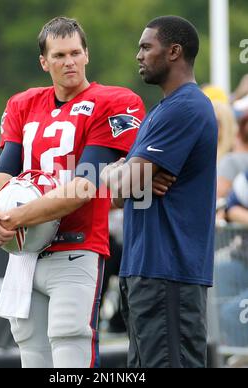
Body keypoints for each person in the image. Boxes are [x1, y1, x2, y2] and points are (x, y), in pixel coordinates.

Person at [0, 16, 174, 368]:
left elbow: (84, 185)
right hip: (25, 255)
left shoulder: (113, 101)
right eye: (60, 55)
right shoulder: (23, 103)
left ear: (87, 55)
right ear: (43, 62)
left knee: (70, 348)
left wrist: (10, 219)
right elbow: (4, 170)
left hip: (76, 247)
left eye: (76, 53)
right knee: (32, 353)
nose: (70, 62)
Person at [101, 16, 218, 368]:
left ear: (174, 52)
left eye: (146, 46)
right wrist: (120, 173)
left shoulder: (185, 108)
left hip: (168, 271)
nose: (138, 55)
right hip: (146, 271)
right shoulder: (161, 111)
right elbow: (120, 193)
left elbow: (122, 186)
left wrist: (120, 173)